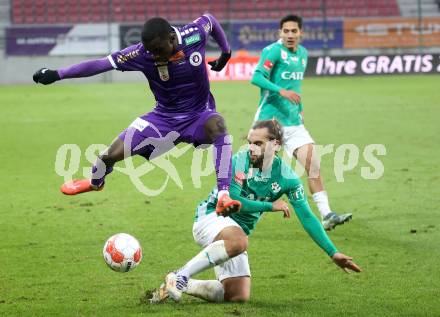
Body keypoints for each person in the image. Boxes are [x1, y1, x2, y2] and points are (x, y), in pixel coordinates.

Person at [32, 14, 241, 213]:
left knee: (218, 126)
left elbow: (211, 21)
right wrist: (57, 74)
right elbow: (100, 64)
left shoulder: (193, 34)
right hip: (163, 118)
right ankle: (95, 183)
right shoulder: (141, 53)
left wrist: (226, 51)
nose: (155, 56)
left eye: (158, 50)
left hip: (198, 115)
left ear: (171, 38)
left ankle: (223, 194)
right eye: (151, 52)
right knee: (108, 156)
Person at [148, 119, 361, 303]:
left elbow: (307, 217)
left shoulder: (288, 179)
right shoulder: (240, 161)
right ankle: (181, 276)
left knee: (237, 294)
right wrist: (270, 206)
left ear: (275, 145)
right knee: (239, 242)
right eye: (249, 142)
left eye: (258, 143)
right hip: (212, 217)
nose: (251, 148)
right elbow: (233, 199)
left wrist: (333, 253)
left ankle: (180, 284)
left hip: (234, 233)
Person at [251, 14, 352, 230]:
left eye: (293, 31)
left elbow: (295, 87)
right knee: (262, 172)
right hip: (269, 122)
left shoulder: (303, 54)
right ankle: (247, 210)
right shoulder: (273, 51)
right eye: (285, 31)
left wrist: (301, 109)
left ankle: (326, 215)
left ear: (300, 33)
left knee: (313, 164)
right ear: (280, 33)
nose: (289, 35)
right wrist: (281, 91)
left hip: (294, 123)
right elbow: (256, 77)